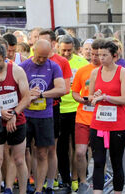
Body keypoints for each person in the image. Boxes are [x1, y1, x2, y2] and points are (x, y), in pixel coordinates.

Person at [20, 40, 66, 194]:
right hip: (25, 115)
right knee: (23, 152)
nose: (42, 60)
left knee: (42, 152)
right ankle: (24, 185)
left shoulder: (53, 66)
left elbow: (61, 89)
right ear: (33, 50)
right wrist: (27, 95)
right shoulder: (23, 66)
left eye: (45, 57)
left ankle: (39, 189)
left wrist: (41, 94)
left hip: (45, 116)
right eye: (39, 56)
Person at [87, 40, 125, 194]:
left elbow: (124, 99)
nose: (101, 58)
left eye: (105, 55)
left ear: (114, 56)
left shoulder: (123, 72)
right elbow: (90, 97)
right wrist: (94, 98)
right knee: (98, 161)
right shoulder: (95, 72)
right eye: (99, 55)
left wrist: (105, 97)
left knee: (116, 162)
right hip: (98, 123)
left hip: (118, 124)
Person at [0, 43, 30, 194]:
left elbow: (27, 97)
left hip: (16, 120)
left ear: (5, 58)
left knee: (19, 159)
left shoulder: (17, 71)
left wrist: (14, 114)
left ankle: (23, 191)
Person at [56, 35, 87, 193]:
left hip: (77, 109)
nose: (66, 53)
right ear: (58, 48)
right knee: (61, 148)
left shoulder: (82, 63)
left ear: (74, 48)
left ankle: (76, 179)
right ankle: (65, 180)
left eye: (69, 50)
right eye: (63, 50)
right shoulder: (55, 61)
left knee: (77, 147)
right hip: (59, 109)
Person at [71, 40, 102, 194]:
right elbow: (75, 92)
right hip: (83, 117)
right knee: (80, 152)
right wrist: (82, 99)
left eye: (98, 55)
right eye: (93, 54)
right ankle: (83, 181)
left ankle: (97, 182)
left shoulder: (109, 71)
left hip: (101, 119)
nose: (95, 57)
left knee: (98, 154)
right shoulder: (83, 70)